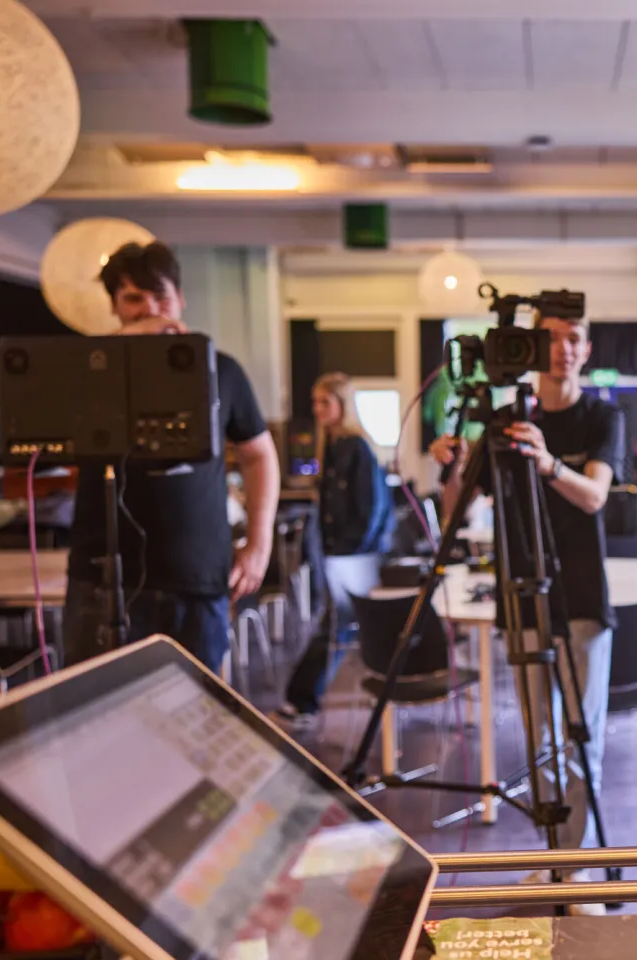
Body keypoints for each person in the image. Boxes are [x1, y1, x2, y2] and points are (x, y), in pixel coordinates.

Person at [430, 310, 625, 875]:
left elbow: (594, 496)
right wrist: (457, 466)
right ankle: (557, 858)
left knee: (577, 741)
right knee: (541, 740)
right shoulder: (506, 423)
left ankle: (578, 868)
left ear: (586, 350)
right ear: (534, 349)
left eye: (574, 339)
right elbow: (456, 516)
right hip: (523, 598)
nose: (563, 349)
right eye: (552, 339)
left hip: (582, 597)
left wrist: (546, 463)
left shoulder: (601, 415)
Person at [62, 242, 280, 672]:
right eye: (133, 299)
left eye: (160, 296)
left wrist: (259, 543)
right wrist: (125, 347)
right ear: (115, 308)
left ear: (180, 299)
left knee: (199, 719)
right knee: (97, 723)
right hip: (103, 581)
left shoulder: (223, 370)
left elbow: (259, 456)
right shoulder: (86, 372)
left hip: (198, 577)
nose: (150, 309)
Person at [275, 372, 394, 727]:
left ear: (343, 404)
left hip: (354, 556)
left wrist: (346, 553)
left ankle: (303, 701)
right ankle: (304, 701)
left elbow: (370, 509)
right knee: (340, 626)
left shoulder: (356, 447)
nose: (317, 409)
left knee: (337, 627)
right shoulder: (330, 445)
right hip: (338, 554)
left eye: (324, 402)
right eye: (315, 402)